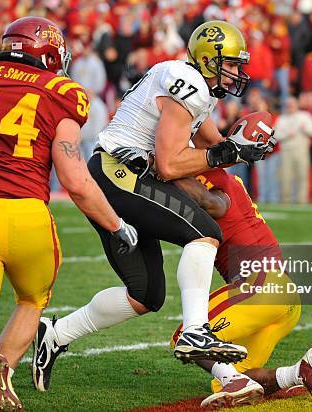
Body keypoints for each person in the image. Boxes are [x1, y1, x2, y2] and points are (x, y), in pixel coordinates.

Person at [32, 20, 273, 392]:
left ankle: (56, 333)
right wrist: (227, 151)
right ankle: (196, 331)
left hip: (119, 175)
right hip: (120, 172)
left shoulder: (196, 88)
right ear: (210, 60)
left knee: (145, 294)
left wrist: (242, 146)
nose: (237, 73)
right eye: (231, 64)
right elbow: (171, 164)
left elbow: (216, 151)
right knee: (205, 233)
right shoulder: (187, 83)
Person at [0, 17, 138, 412]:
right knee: (31, 301)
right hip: (28, 217)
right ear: (50, 53)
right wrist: (116, 223)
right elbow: (74, 178)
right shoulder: (61, 91)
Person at [170, 169, 312, 408]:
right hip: (286, 296)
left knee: (185, 336)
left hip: (261, 286)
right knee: (227, 380)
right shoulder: (226, 177)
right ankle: (300, 372)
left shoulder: (214, 180)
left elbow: (212, 202)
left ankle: (238, 382)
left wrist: (163, 170)